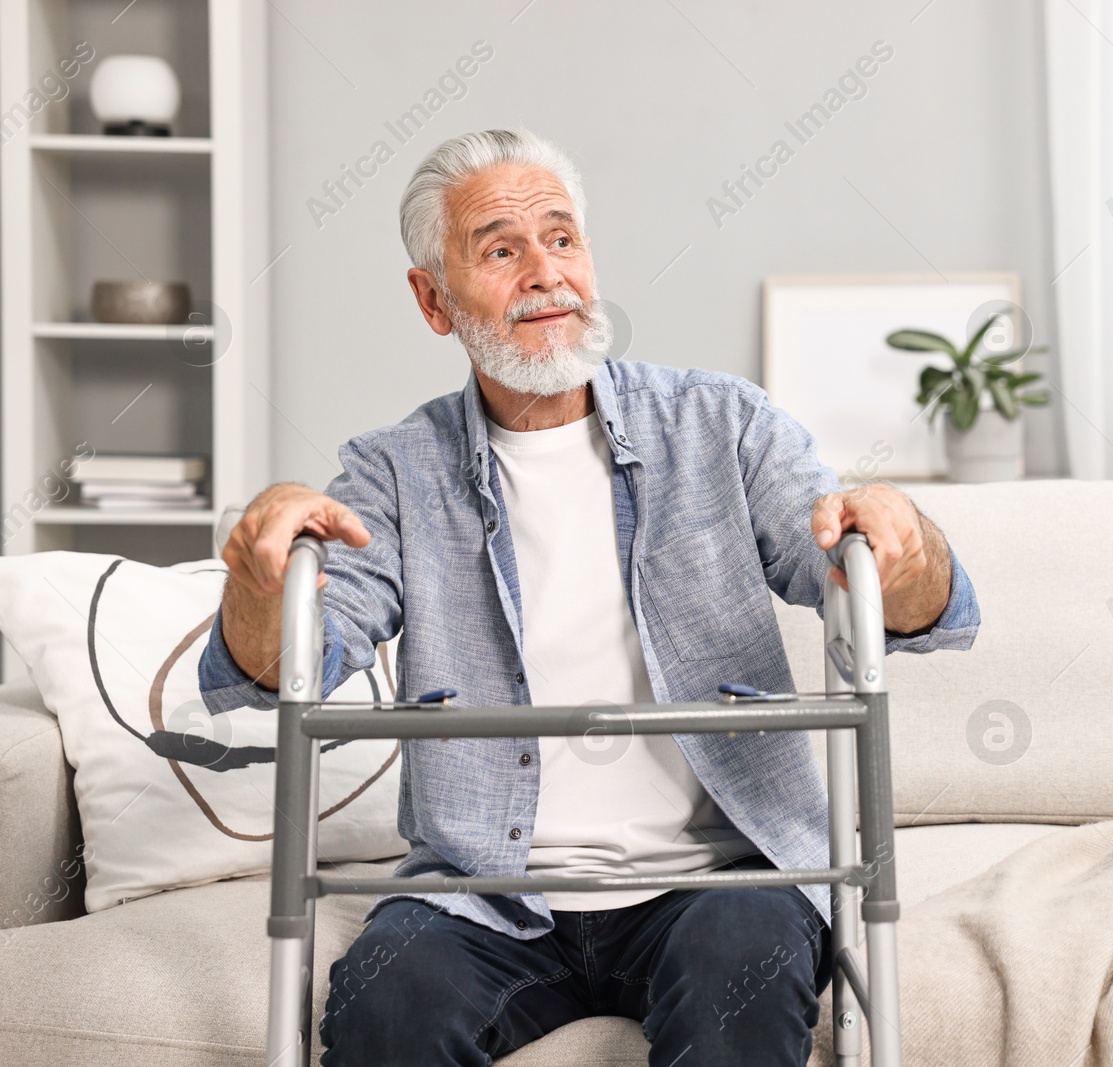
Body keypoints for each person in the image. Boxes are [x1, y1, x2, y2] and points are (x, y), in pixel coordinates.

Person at [200, 128, 981, 1067]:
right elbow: (287, 667)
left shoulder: (721, 422)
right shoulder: (394, 471)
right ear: (433, 301)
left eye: (562, 238)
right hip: (485, 895)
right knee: (385, 1004)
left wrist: (904, 539)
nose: (546, 273)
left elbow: (896, 602)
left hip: (717, 882)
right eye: (500, 248)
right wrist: (257, 575)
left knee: (745, 973)